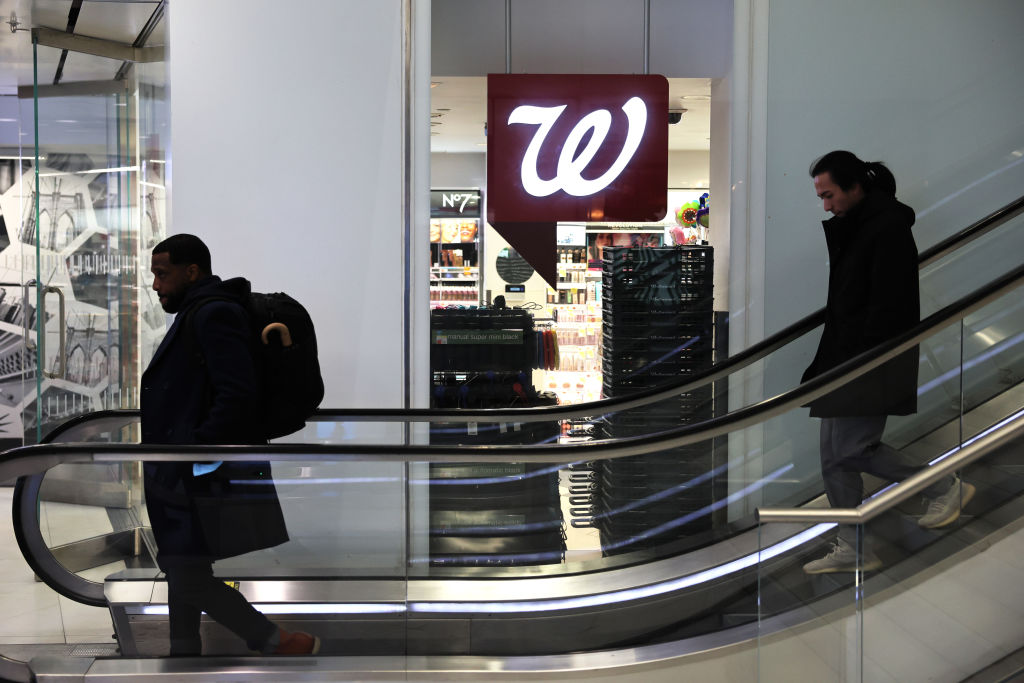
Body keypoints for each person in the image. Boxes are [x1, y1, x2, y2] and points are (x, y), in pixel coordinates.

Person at [142, 234, 320, 655]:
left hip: (194, 471)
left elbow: (235, 394)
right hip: (184, 467)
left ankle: (272, 639)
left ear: (191, 272)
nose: (155, 285)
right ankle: (182, 649)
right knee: (183, 562)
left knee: (185, 570)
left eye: (162, 274)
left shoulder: (214, 313)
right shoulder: (198, 312)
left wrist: (195, 453)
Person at [800, 151, 975, 574]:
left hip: (868, 358)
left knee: (851, 448)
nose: (826, 205)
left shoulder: (887, 227)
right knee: (833, 456)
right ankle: (853, 545)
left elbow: (889, 304)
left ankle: (942, 486)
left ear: (856, 187)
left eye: (830, 195)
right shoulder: (857, 225)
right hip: (845, 357)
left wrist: (863, 360)